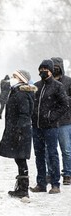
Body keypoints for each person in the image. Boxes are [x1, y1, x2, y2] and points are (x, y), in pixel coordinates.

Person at [30, 59, 69, 194]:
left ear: (51, 71)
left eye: (45, 69)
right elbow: (32, 104)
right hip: (36, 126)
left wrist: (51, 116)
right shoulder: (36, 86)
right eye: (41, 69)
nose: (42, 71)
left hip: (51, 127)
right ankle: (41, 183)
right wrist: (32, 115)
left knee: (52, 154)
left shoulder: (58, 86)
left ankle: (55, 184)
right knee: (39, 154)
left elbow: (64, 105)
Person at [0, 70, 37, 198]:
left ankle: (24, 189)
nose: (12, 78)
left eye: (15, 77)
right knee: (19, 158)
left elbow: (24, 114)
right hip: (17, 130)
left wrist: (19, 131)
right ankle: (21, 187)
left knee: (21, 158)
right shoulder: (17, 91)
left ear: (21, 79)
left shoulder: (21, 93)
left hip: (20, 131)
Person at [46, 57, 71, 185]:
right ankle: (50, 173)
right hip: (50, 122)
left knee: (66, 149)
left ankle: (68, 173)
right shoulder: (46, 82)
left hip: (65, 121)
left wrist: (63, 100)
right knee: (49, 150)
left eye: (57, 67)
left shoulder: (68, 82)